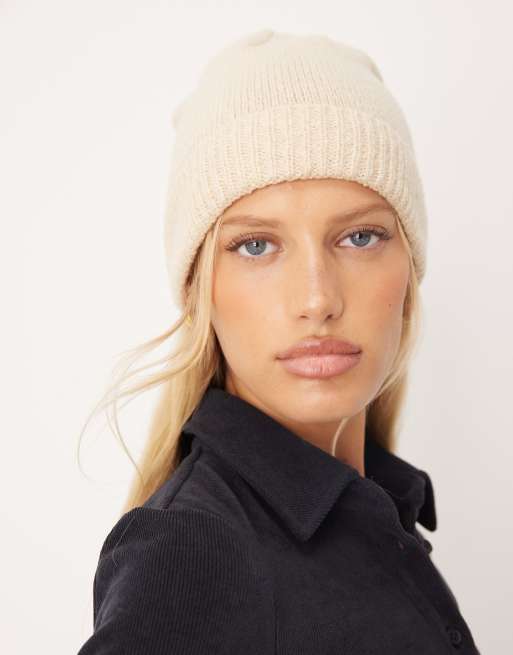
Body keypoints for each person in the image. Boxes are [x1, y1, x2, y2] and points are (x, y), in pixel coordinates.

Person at [77, 29, 481, 654]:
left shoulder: (379, 511)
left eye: (360, 237)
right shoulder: (194, 552)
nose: (317, 299)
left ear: (408, 267)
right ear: (201, 289)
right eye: (256, 245)